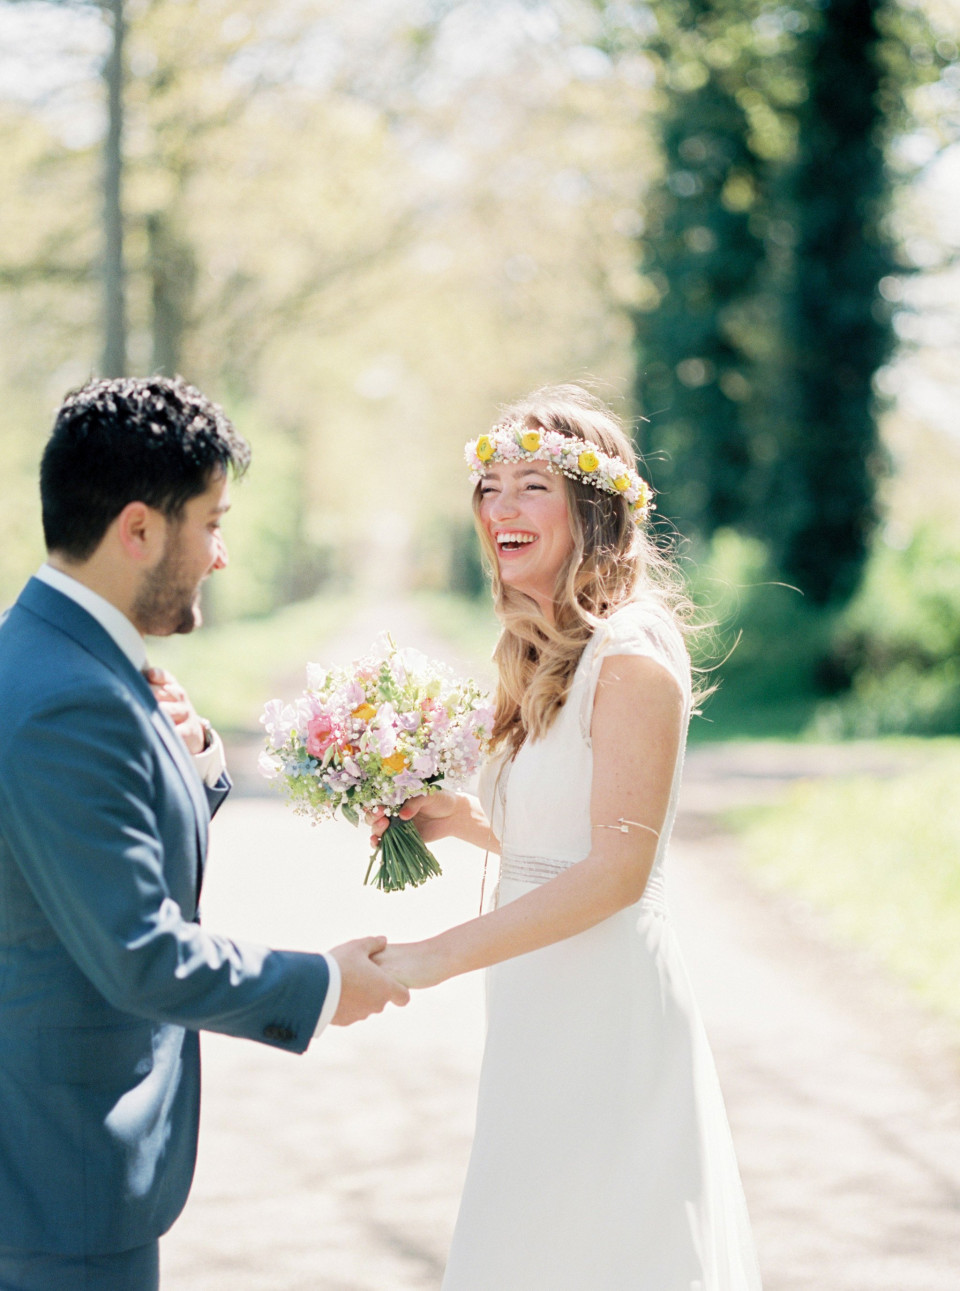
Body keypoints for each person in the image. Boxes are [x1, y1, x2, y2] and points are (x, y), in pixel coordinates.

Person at [0, 376, 408, 1291]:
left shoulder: (58, 656)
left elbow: (90, 844)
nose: (222, 555)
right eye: (212, 523)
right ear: (139, 529)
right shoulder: (71, 694)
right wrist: (326, 983)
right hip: (50, 1182)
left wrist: (200, 762)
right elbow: (140, 950)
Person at [371, 385, 763, 1289]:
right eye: (490, 486)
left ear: (592, 506)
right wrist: (459, 819)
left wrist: (437, 955)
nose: (501, 508)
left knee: (600, 1245)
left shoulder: (631, 651)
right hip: (537, 1009)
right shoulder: (551, 652)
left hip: (605, 1007)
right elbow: (561, 843)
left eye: (530, 486)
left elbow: (619, 870)